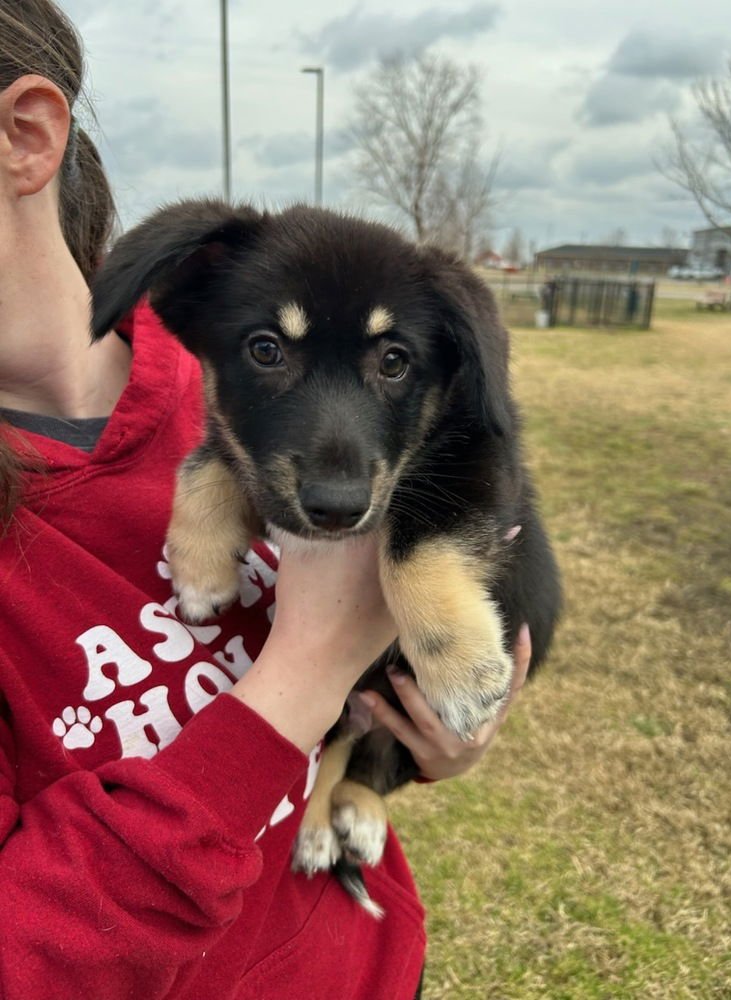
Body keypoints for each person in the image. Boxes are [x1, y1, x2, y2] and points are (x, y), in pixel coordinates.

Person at [0, 3, 532, 998]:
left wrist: (421, 743)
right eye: (268, 352)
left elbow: (475, 485)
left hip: (370, 960)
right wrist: (303, 671)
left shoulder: (210, 372)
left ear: (25, 133)